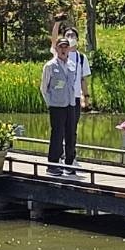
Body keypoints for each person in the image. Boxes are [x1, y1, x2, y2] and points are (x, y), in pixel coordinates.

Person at [40, 37, 83, 176]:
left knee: (71, 134)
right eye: (61, 47)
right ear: (56, 49)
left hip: (70, 104)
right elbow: (44, 88)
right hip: (57, 106)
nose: (63, 49)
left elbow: (73, 85)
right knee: (57, 134)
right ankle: (53, 165)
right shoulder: (50, 66)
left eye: (66, 47)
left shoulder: (72, 65)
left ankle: (69, 164)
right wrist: (50, 103)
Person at [65, 28, 92, 121]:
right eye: (67, 35)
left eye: (72, 35)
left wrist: (86, 98)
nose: (70, 37)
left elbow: (83, 79)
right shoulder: (61, 55)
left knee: (72, 127)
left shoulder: (81, 57)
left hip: (75, 97)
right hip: (62, 97)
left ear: (77, 39)